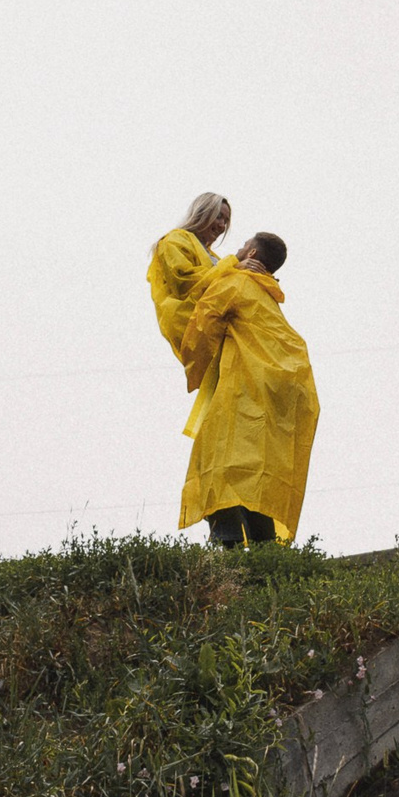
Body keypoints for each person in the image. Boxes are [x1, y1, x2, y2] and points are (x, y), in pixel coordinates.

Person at [177, 231, 319, 546]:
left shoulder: (237, 284)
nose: (238, 249)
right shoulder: (268, 297)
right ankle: (264, 555)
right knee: (257, 476)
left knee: (219, 463)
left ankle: (226, 548)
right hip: (274, 398)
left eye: (242, 246)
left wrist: (192, 360)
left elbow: (203, 324)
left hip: (240, 389)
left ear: (252, 254)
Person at [147, 192, 232, 364]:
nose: (222, 225)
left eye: (226, 221)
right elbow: (184, 282)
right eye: (218, 217)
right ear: (202, 212)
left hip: (217, 331)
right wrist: (235, 263)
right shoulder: (174, 241)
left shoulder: (212, 256)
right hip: (197, 330)